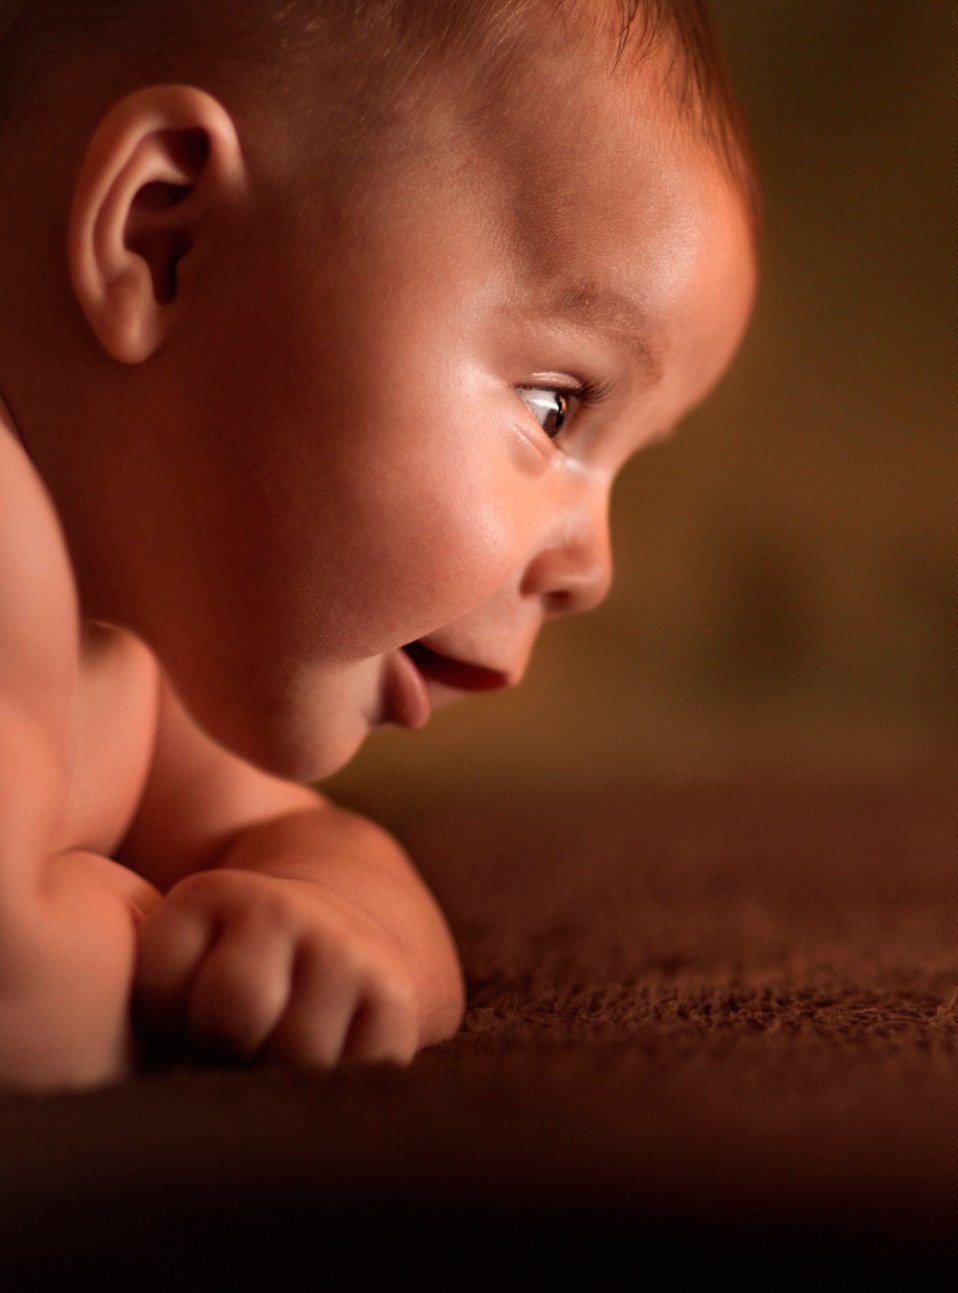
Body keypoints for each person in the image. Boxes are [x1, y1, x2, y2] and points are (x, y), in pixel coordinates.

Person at [0, 0, 758, 1090]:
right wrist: (139, 916)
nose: (594, 569)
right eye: (554, 408)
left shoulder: (138, 621)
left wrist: (332, 929)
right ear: (163, 239)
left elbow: (316, 852)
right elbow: (23, 1007)